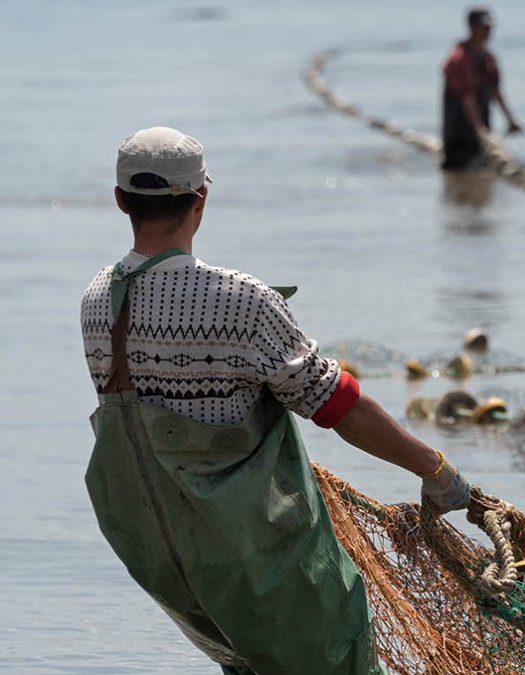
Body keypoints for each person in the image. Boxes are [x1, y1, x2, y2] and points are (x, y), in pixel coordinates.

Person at [80, 126, 472, 674]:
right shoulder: (241, 301)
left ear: (121, 199)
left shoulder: (98, 300)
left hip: (163, 560)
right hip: (259, 557)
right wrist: (435, 469)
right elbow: (339, 407)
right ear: (202, 199)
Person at [440, 5, 522, 170]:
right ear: (471, 27)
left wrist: (510, 120)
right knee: (460, 171)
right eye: (483, 26)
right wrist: (481, 131)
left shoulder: (488, 58)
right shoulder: (458, 59)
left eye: (489, 27)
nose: (487, 31)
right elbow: (466, 98)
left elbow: (496, 92)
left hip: (481, 133)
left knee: (482, 174)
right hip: (458, 134)